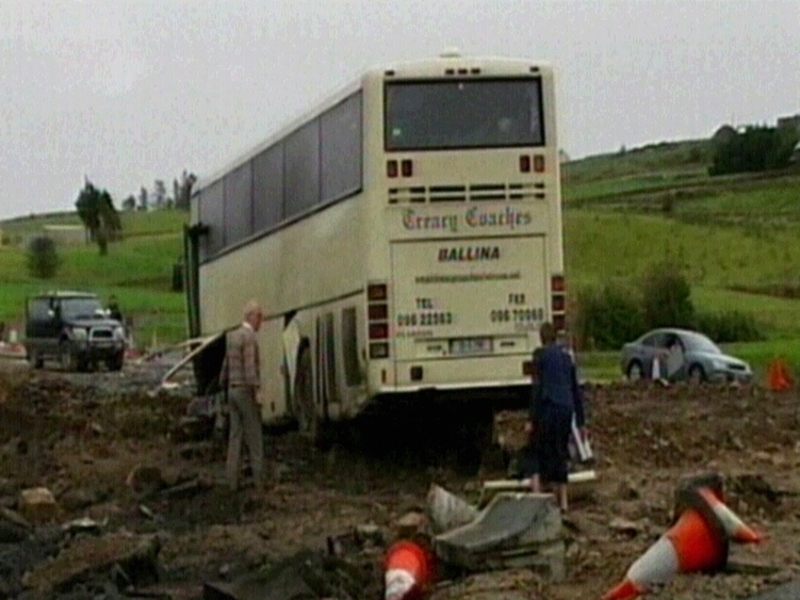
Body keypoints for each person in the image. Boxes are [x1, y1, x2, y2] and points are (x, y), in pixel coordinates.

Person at [526, 322, 586, 513]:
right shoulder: (566, 358)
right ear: (555, 337)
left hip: (548, 408)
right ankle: (564, 502)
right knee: (560, 451)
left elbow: (537, 389)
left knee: (536, 449)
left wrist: (531, 419)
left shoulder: (540, 356)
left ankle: (537, 499)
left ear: (541, 339)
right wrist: (581, 422)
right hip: (566, 409)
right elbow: (575, 391)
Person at [222, 299, 266, 493]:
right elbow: (250, 368)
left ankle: (232, 481)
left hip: (232, 389)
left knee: (235, 436)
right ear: (251, 317)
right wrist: (257, 391)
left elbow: (225, 368)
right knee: (255, 436)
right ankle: (259, 482)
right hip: (244, 391)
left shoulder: (232, 337)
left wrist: (225, 386)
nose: (261, 321)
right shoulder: (249, 338)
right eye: (259, 316)